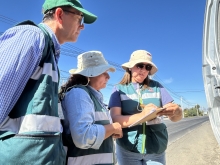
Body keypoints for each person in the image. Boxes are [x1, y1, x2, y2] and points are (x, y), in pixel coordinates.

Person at [0, 0, 97, 164]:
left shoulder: (49, 52)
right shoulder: (31, 36)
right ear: (59, 14)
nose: (82, 26)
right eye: (80, 18)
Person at [108, 50, 183, 165]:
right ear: (130, 67)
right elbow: (116, 119)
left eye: (147, 67)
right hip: (127, 149)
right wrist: (142, 115)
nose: (143, 70)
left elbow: (175, 118)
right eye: (139, 65)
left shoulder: (158, 87)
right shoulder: (118, 89)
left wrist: (177, 112)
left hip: (156, 148)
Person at [59, 51, 123, 165]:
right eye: (104, 72)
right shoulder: (78, 93)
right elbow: (83, 136)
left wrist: (109, 131)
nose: (108, 76)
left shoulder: (92, 96)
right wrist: (113, 127)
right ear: (89, 75)